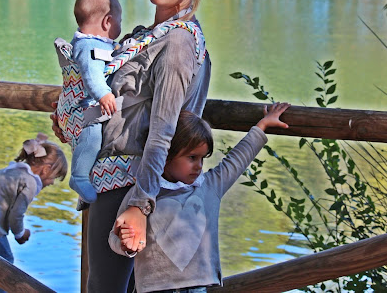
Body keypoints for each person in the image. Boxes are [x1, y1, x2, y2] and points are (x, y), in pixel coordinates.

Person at [51, 0, 216, 292]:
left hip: (130, 186)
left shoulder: (177, 44)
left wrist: (139, 206)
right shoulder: (147, 35)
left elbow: (164, 132)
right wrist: (75, 123)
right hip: (118, 182)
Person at [109, 103, 290, 293]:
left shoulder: (210, 186)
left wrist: (262, 126)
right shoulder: (142, 194)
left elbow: (238, 159)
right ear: (166, 155)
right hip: (155, 289)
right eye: (192, 157)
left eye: (203, 158)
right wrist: (126, 245)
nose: (199, 166)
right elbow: (114, 238)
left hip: (199, 288)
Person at [0, 133, 68, 293]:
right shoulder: (30, 182)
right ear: (46, 170)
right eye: (55, 178)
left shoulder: (11, 171)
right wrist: (20, 233)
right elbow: (16, 214)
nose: (51, 183)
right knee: (6, 262)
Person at [54, 0, 122, 207]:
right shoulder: (88, 46)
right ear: (107, 22)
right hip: (80, 109)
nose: (121, 27)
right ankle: (79, 176)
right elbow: (91, 73)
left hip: (75, 106)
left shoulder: (89, 42)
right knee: (92, 135)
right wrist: (104, 94)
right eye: (119, 21)